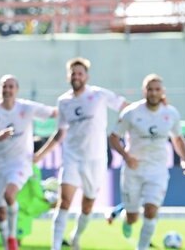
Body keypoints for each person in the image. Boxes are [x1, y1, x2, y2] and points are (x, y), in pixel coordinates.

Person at [33, 57, 128, 250]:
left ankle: (75, 237)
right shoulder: (64, 101)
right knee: (64, 201)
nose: (76, 77)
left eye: (80, 73)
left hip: (96, 159)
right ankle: (56, 246)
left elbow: (126, 107)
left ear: (86, 76)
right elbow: (60, 133)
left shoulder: (99, 95)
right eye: (73, 73)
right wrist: (39, 156)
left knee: (87, 206)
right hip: (72, 158)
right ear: (68, 76)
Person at [0, 75, 57, 250]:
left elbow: (53, 113)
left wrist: (70, 106)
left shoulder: (26, 108)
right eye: (5, 86)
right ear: (0, 89)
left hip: (20, 163)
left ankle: (12, 238)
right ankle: (7, 244)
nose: (7, 90)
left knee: (10, 195)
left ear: (16, 90)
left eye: (11, 87)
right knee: (1, 209)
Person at [108, 73, 185, 250]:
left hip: (157, 170)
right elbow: (114, 137)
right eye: (150, 89)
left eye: (157, 89)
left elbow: (178, 139)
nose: (153, 93)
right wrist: (126, 156)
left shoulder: (171, 113)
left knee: (151, 211)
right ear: (144, 91)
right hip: (133, 171)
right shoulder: (131, 113)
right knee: (133, 216)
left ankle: (142, 247)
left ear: (163, 92)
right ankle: (127, 220)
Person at [0, 165, 59, 247]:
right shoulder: (32, 170)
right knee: (11, 240)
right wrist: (48, 203)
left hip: (23, 211)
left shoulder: (27, 170)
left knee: (14, 240)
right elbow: (35, 196)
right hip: (20, 210)